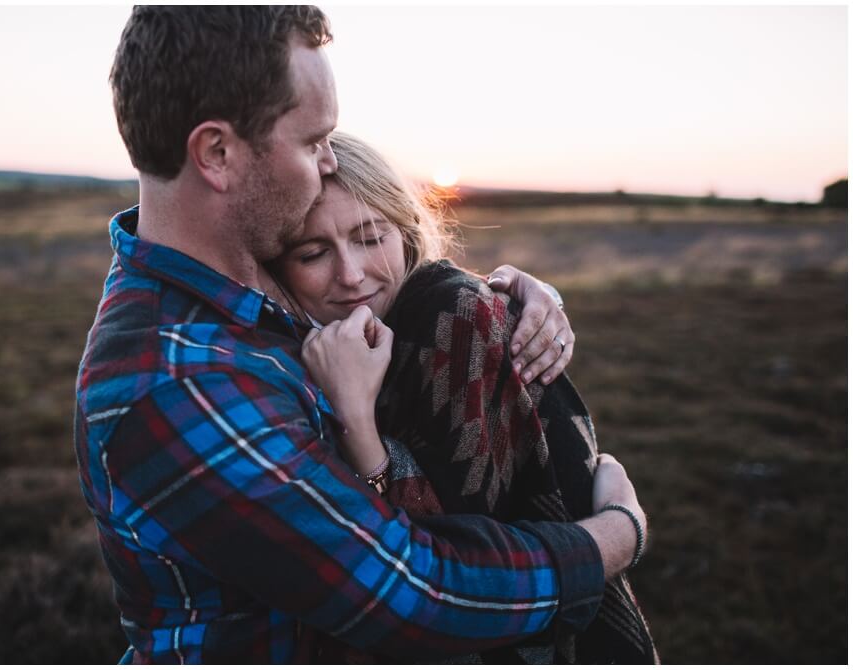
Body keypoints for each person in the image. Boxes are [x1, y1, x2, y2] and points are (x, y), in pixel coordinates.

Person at [76, 6, 648, 663]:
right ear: (217, 153)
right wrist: (615, 537)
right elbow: (418, 596)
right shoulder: (175, 379)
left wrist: (493, 301)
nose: (327, 164)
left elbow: (378, 289)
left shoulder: (242, 281)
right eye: (313, 140)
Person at [275, 131, 658, 663]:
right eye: (313, 253)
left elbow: (444, 559)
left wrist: (355, 420)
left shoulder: (454, 318)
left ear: (405, 231)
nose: (351, 274)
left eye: (370, 238)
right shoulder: (311, 341)